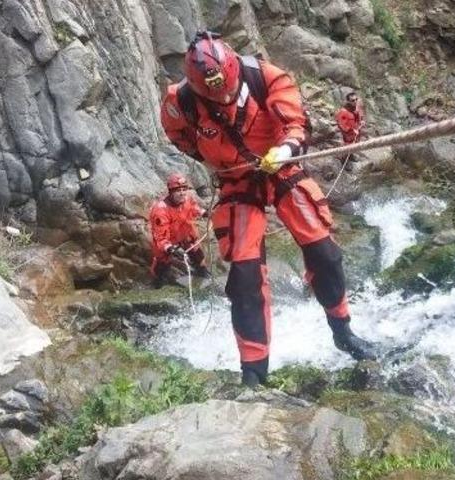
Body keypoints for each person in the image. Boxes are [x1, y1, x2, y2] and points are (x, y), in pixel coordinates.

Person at [160, 31, 375, 389]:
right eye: (215, 93)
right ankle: (254, 373)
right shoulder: (179, 101)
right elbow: (178, 135)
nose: (225, 96)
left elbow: (295, 123)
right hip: (238, 182)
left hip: (281, 167)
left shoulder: (266, 76)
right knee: (244, 278)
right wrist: (212, 159)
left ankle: (343, 331)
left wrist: (287, 149)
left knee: (324, 251)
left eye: (228, 89)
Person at [149, 173, 209, 288]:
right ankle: (157, 283)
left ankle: (203, 274)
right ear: (171, 192)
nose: (182, 193)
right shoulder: (160, 210)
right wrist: (170, 248)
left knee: (198, 255)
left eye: (184, 189)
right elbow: (160, 238)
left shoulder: (187, 199)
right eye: (178, 190)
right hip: (169, 240)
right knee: (161, 264)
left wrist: (204, 213)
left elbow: (194, 208)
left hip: (185, 235)